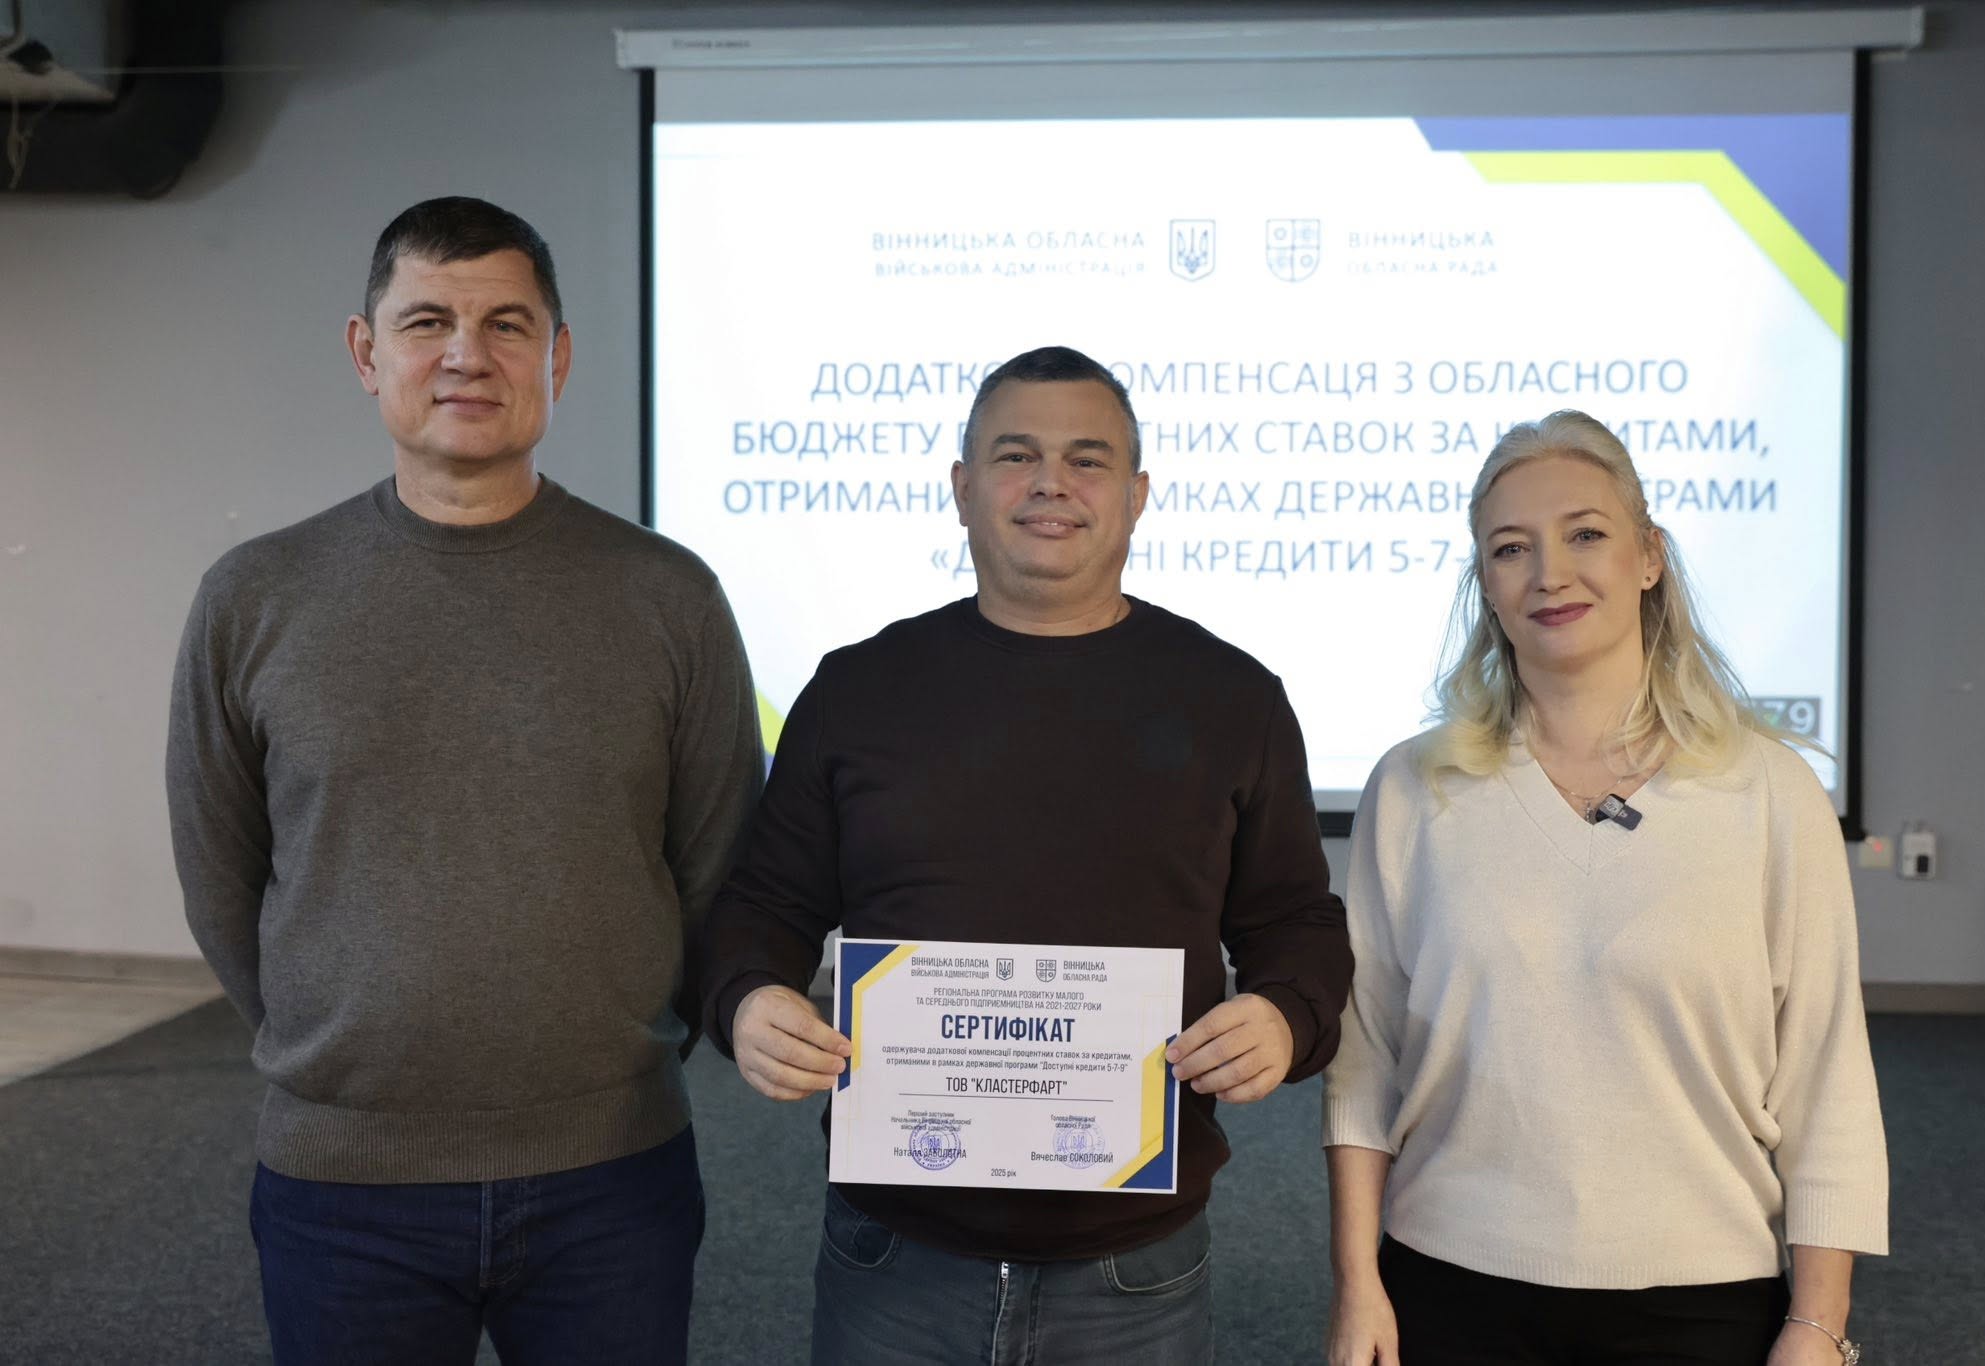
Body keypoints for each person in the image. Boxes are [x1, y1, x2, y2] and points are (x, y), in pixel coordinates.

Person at [165, 196, 762, 1365]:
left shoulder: (668, 597)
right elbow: (219, 877)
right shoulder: (254, 596)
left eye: (506, 324)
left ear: (558, 356)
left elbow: (714, 863)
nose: (465, 355)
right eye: (427, 320)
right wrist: (338, 1054)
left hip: (612, 1176)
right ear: (366, 351)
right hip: (343, 1184)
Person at [700, 345, 1353, 1365]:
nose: (1051, 482)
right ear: (962, 489)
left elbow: (1295, 923)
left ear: (1136, 496)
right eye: (1016, 456)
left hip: (1133, 1264)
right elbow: (764, 904)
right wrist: (745, 998)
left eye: (1087, 459)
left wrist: (1285, 1016)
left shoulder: (1232, 698)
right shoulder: (857, 690)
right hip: (895, 1251)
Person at [1322, 410, 1888, 1366]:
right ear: (1485, 584)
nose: (1550, 573)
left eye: (1585, 533)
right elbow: (1364, 1059)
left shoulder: (1769, 793)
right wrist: (1356, 1285)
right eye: (1511, 548)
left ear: (1649, 557)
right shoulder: (1415, 789)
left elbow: (1826, 1077)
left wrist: (1818, 1323)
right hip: (1448, 1283)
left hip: (1705, 1298)